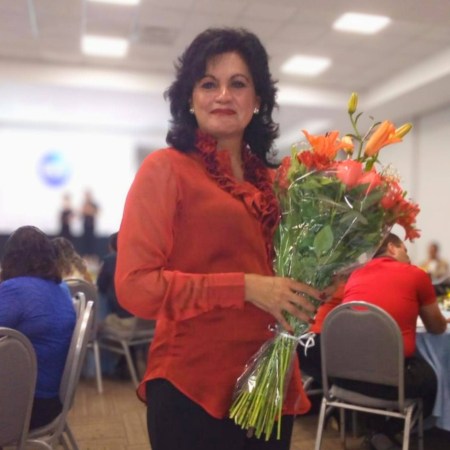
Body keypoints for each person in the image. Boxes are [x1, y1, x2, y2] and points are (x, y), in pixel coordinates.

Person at [115, 27, 324, 450]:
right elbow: (135, 288)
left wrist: (320, 280)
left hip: (269, 386)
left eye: (238, 83)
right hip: (193, 386)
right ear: (189, 98)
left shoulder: (280, 183)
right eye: (208, 84)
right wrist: (246, 287)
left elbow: (289, 278)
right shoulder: (165, 170)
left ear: (258, 99)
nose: (223, 95)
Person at [341, 233, 447, 450]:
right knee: (434, 379)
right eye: (405, 251)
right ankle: (385, 432)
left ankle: (376, 432)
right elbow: (437, 328)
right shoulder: (415, 274)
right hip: (390, 381)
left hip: (344, 377)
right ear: (392, 248)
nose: (408, 257)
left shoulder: (354, 275)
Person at [0, 226, 76, 430]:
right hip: (53, 402)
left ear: (10, 258)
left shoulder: (14, 290)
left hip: (22, 408)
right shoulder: (62, 288)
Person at [81, 189, 99, 257]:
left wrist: (89, 211)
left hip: (91, 225)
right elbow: (81, 212)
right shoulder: (84, 204)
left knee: (92, 241)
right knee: (85, 241)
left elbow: (97, 212)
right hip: (85, 225)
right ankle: (86, 255)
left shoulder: (93, 204)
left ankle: (92, 255)